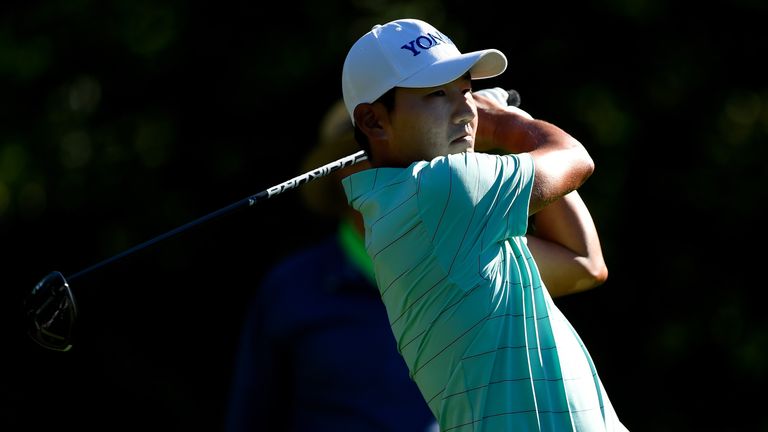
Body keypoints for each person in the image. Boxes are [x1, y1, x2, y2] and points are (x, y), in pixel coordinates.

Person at [339, 18, 628, 431]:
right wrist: (506, 124)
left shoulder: (419, 215)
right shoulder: (440, 191)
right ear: (373, 121)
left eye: (466, 92)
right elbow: (575, 158)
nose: (465, 110)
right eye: (438, 94)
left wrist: (503, 131)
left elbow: (583, 263)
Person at [224, 99, 440, 432]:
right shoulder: (289, 289)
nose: (397, 167)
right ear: (341, 173)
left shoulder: (476, 268)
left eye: (405, 150)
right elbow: (253, 418)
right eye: (370, 154)